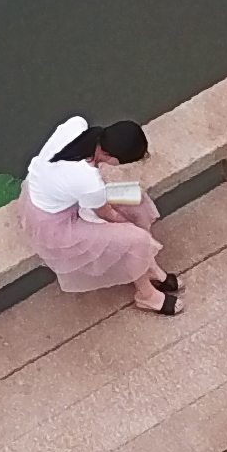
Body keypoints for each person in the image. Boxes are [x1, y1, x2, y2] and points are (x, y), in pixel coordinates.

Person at [21, 114, 179, 314]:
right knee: (135, 239)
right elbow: (108, 214)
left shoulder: (77, 124)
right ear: (112, 158)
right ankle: (146, 294)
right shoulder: (89, 181)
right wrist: (133, 230)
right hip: (53, 222)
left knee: (137, 201)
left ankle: (146, 264)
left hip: (62, 194)